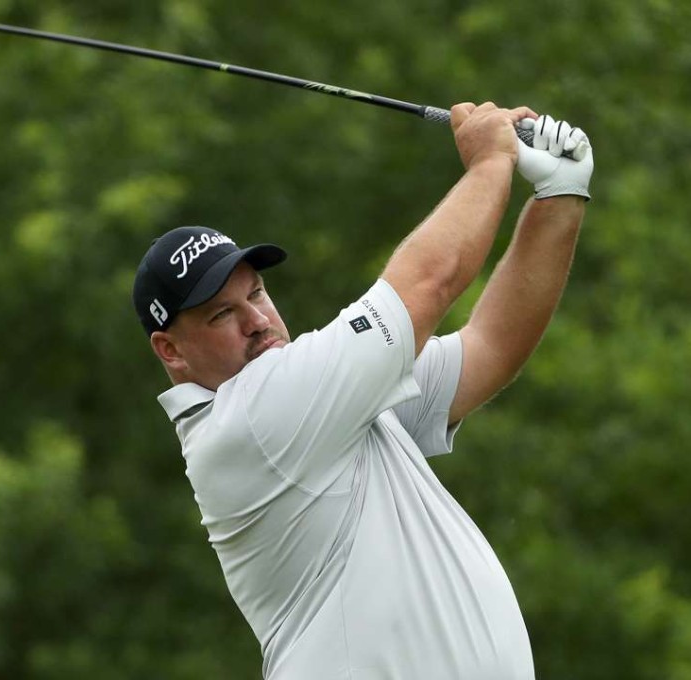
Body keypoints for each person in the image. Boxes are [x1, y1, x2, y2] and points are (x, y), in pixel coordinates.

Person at [131, 102, 593, 679]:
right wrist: (490, 162)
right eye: (222, 314)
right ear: (170, 351)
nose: (257, 321)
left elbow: (492, 345)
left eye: (256, 295)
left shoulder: (332, 404)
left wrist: (560, 198)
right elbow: (428, 281)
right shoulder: (252, 416)